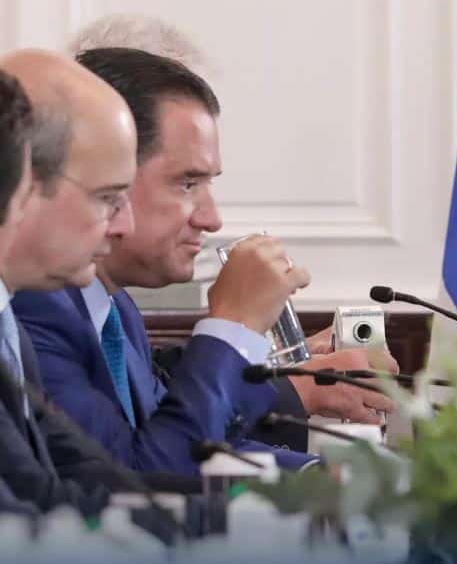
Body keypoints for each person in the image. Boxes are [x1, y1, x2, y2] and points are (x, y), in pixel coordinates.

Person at [13, 47, 396, 476]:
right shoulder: (34, 308)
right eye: (187, 183)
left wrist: (321, 477)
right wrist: (234, 325)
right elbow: (144, 480)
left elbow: (189, 442)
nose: (211, 219)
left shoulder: (114, 308)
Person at [0, 51, 137, 515]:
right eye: (107, 197)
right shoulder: (38, 315)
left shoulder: (10, 324)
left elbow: (81, 476)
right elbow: (32, 512)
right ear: (25, 182)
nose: (125, 226)